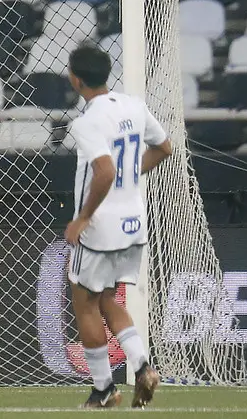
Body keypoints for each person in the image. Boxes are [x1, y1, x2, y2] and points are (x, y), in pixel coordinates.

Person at [64, 45, 172, 408]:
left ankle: (104, 390)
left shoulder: (86, 122)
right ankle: (142, 367)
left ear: (75, 79)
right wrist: (130, 173)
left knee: (85, 303)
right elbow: (164, 147)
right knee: (109, 297)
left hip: (101, 227)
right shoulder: (133, 106)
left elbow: (105, 171)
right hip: (134, 221)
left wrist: (82, 217)